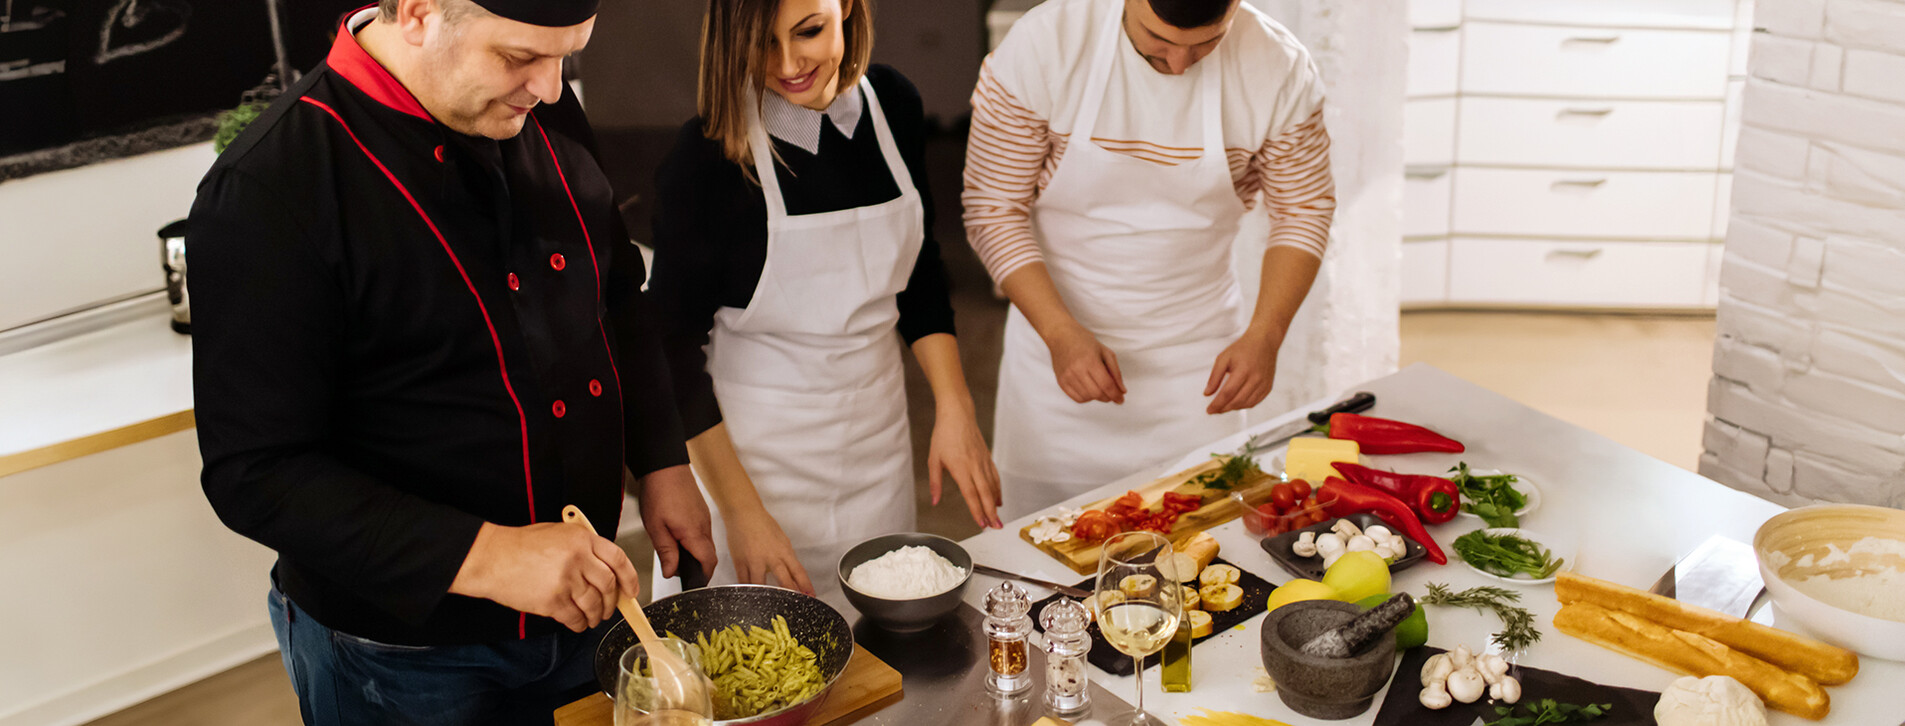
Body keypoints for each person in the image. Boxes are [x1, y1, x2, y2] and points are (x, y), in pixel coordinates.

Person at [187, 0, 719, 722]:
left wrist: (662, 460)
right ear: (416, 12)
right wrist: (490, 556)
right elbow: (255, 472)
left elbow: (617, 294)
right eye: (519, 56)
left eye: (567, 56)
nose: (552, 89)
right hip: (400, 659)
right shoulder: (268, 186)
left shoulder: (532, 104)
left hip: (588, 614)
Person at [646, 0, 1002, 595]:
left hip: (876, 451)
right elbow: (671, 352)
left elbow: (917, 274)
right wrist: (741, 513)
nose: (788, 64)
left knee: (882, 664)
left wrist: (955, 405)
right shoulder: (705, 158)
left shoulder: (895, 105)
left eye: (809, 31)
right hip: (753, 466)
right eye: (761, 43)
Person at [964, 0, 1337, 520]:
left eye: (1207, 43)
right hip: (1056, 374)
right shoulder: (1044, 46)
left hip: (1201, 376)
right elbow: (992, 208)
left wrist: (1267, 334)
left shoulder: (1278, 66)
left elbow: (1303, 211)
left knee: (1204, 565)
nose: (1181, 65)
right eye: (1157, 41)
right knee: (1043, 563)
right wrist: (1057, 332)